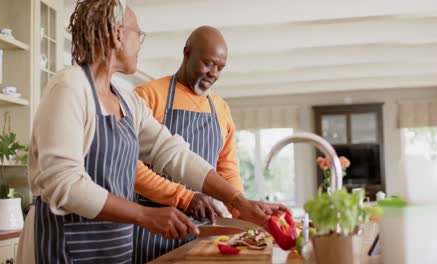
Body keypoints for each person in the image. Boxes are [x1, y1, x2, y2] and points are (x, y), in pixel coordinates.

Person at [16, 1, 285, 263]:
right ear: (117, 34)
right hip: (64, 245)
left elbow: (173, 153)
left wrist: (240, 201)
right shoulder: (70, 87)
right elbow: (64, 184)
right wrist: (144, 215)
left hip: (113, 247)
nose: (139, 44)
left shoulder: (126, 100)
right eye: (138, 34)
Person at [132, 26, 248, 263]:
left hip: (204, 233)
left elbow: (228, 171)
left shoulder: (221, 109)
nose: (213, 73)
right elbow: (127, 166)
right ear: (186, 53)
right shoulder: (148, 96)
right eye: (208, 63)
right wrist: (184, 197)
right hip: (152, 230)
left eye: (220, 67)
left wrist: (243, 213)